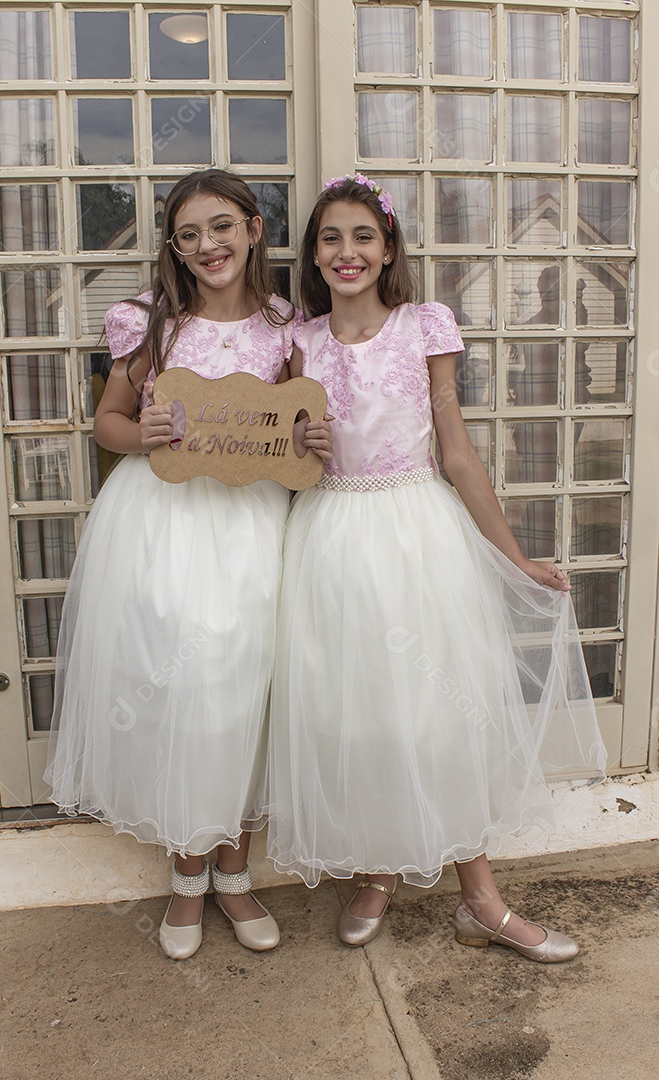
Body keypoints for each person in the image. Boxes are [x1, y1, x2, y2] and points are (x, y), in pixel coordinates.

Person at [267, 175, 605, 963]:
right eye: (329, 239)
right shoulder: (300, 344)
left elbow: (455, 453)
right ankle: (380, 871)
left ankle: (480, 900)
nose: (346, 253)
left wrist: (512, 555)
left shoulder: (425, 327)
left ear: (387, 250)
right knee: (363, 715)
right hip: (332, 538)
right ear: (313, 256)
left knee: (437, 710)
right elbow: (291, 464)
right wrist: (300, 450)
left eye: (362, 237)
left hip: (417, 534)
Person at [44, 169, 331, 961]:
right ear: (174, 246)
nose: (209, 245)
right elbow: (108, 422)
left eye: (222, 226)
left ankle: (234, 875)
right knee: (183, 688)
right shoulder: (152, 325)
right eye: (189, 233)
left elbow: (295, 423)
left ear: (253, 229)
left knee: (247, 685)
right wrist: (149, 432)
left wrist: (304, 442)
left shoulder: (286, 324)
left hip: (253, 524)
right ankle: (186, 874)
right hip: (166, 523)